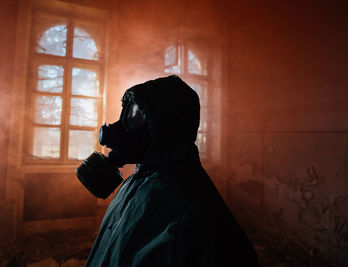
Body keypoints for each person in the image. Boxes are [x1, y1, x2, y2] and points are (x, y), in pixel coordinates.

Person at [76, 75, 258, 267]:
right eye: (127, 114)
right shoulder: (139, 179)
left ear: (166, 127)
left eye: (136, 117)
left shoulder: (195, 213)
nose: (117, 128)